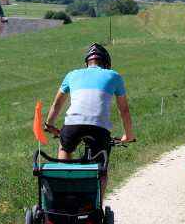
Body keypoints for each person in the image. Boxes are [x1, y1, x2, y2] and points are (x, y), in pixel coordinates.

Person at [43, 43, 135, 194]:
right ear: (106, 64)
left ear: (86, 64)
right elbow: (124, 111)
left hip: (73, 125)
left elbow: (56, 105)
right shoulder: (114, 76)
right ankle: (98, 206)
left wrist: (49, 125)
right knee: (101, 169)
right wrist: (128, 136)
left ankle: (65, 192)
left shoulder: (72, 75)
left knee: (65, 148)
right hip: (100, 127)